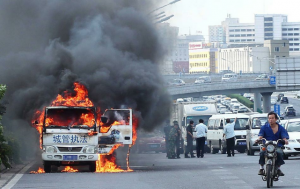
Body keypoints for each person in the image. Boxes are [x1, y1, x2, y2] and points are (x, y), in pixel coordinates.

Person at [256, 112, 289, 176]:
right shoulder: (264, 127)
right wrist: (258, 139)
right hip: (267, 146)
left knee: (279, 153)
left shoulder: (281, 128)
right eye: (269, 118)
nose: (271, 120)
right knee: (262, 152)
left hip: (277, 145)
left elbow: (284, 136)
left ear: (276, 119)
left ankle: (278, 168)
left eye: (272, 118)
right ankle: (261, 168)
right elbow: (260, 136)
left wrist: (285, 140)